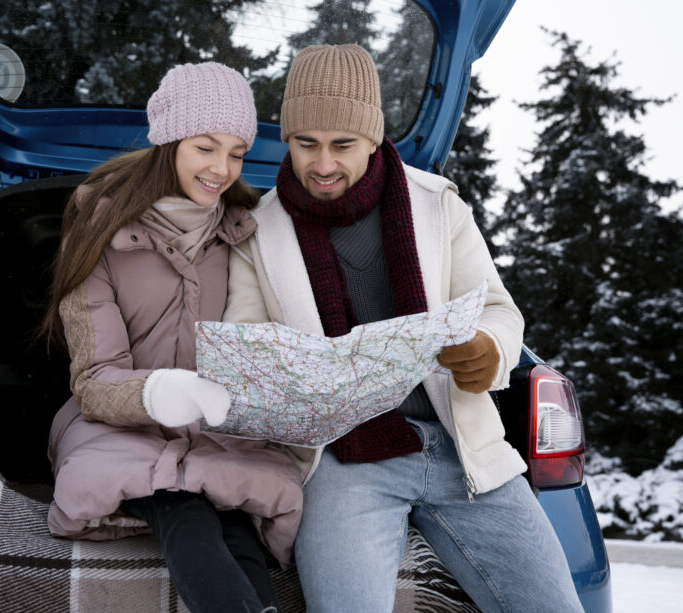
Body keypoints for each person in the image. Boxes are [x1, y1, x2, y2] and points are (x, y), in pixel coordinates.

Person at [223, 44, 584, 613]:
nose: (322, 164)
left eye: (342, 145)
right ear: (287, 141)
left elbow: (499, 310)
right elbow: (247, 350)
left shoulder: (439, 207)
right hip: (343, 460)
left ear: (373, 139)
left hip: (463, 448)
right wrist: (297, 382)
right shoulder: (256, 233)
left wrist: (487, 350)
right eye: (305, 144)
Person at [42, 62, 303, 613]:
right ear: (169, 139)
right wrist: (164, 392)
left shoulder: (243, 232)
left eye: (236, 152)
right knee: (184, 511)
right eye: (206, 147)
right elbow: (93, 381)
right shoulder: (99, 233)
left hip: (216, 431)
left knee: (234, 522)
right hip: (113, 429)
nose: (222, 169)